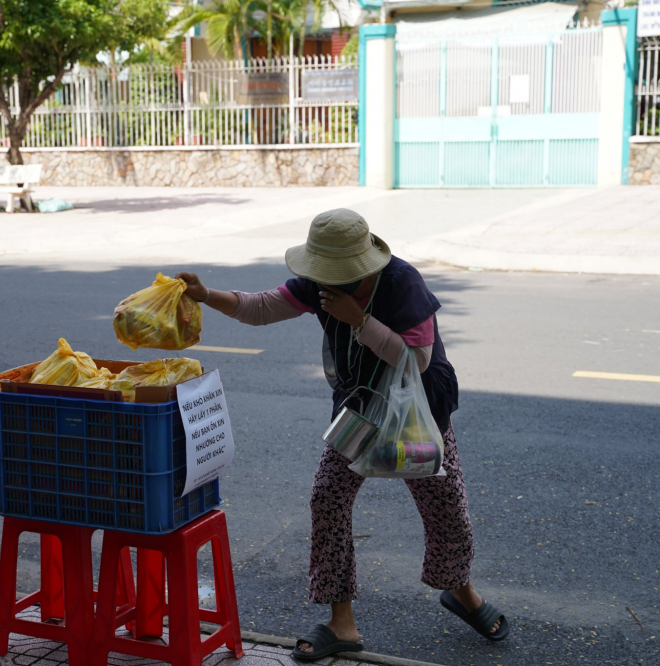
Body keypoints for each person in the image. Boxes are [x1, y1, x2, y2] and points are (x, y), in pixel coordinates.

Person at [175, 208, 508, 660]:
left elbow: (417, 361)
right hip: (359, 409)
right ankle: (342, 622)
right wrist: (204, 294)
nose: (325, 282)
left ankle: (460, 591)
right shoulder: (318, 283)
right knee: (328, 498)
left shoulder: (401, 283)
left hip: (417, 410)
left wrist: (358, 319)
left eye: (335, 274)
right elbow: (261, 308)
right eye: (321, 273)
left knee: (444, 504)